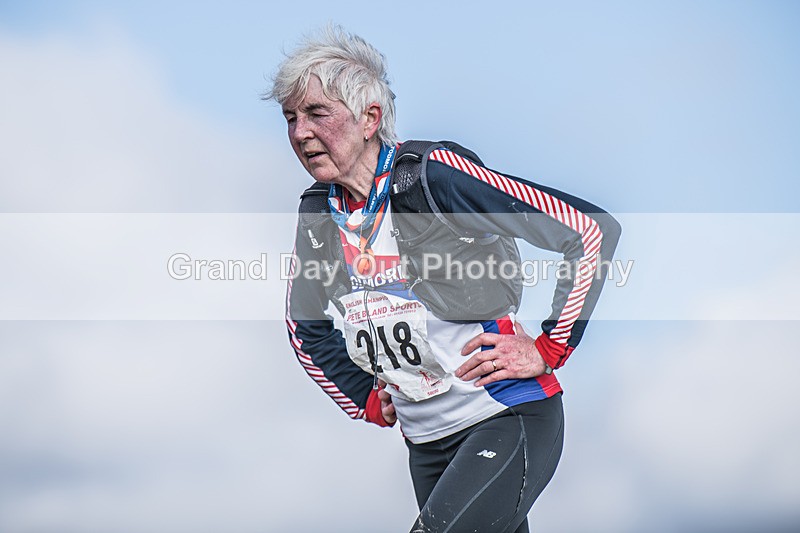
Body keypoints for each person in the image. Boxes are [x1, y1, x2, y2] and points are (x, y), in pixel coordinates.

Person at [266, 25, 621, 533]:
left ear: (370, 118)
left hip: (504, 417)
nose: (300, 132)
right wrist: (363, 395)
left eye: (317, 113)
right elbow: (304, 325)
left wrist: (549, 349)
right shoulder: (320, 213)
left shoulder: (431, 176)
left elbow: (589, 230)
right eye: (290, 117)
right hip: (426, 445)